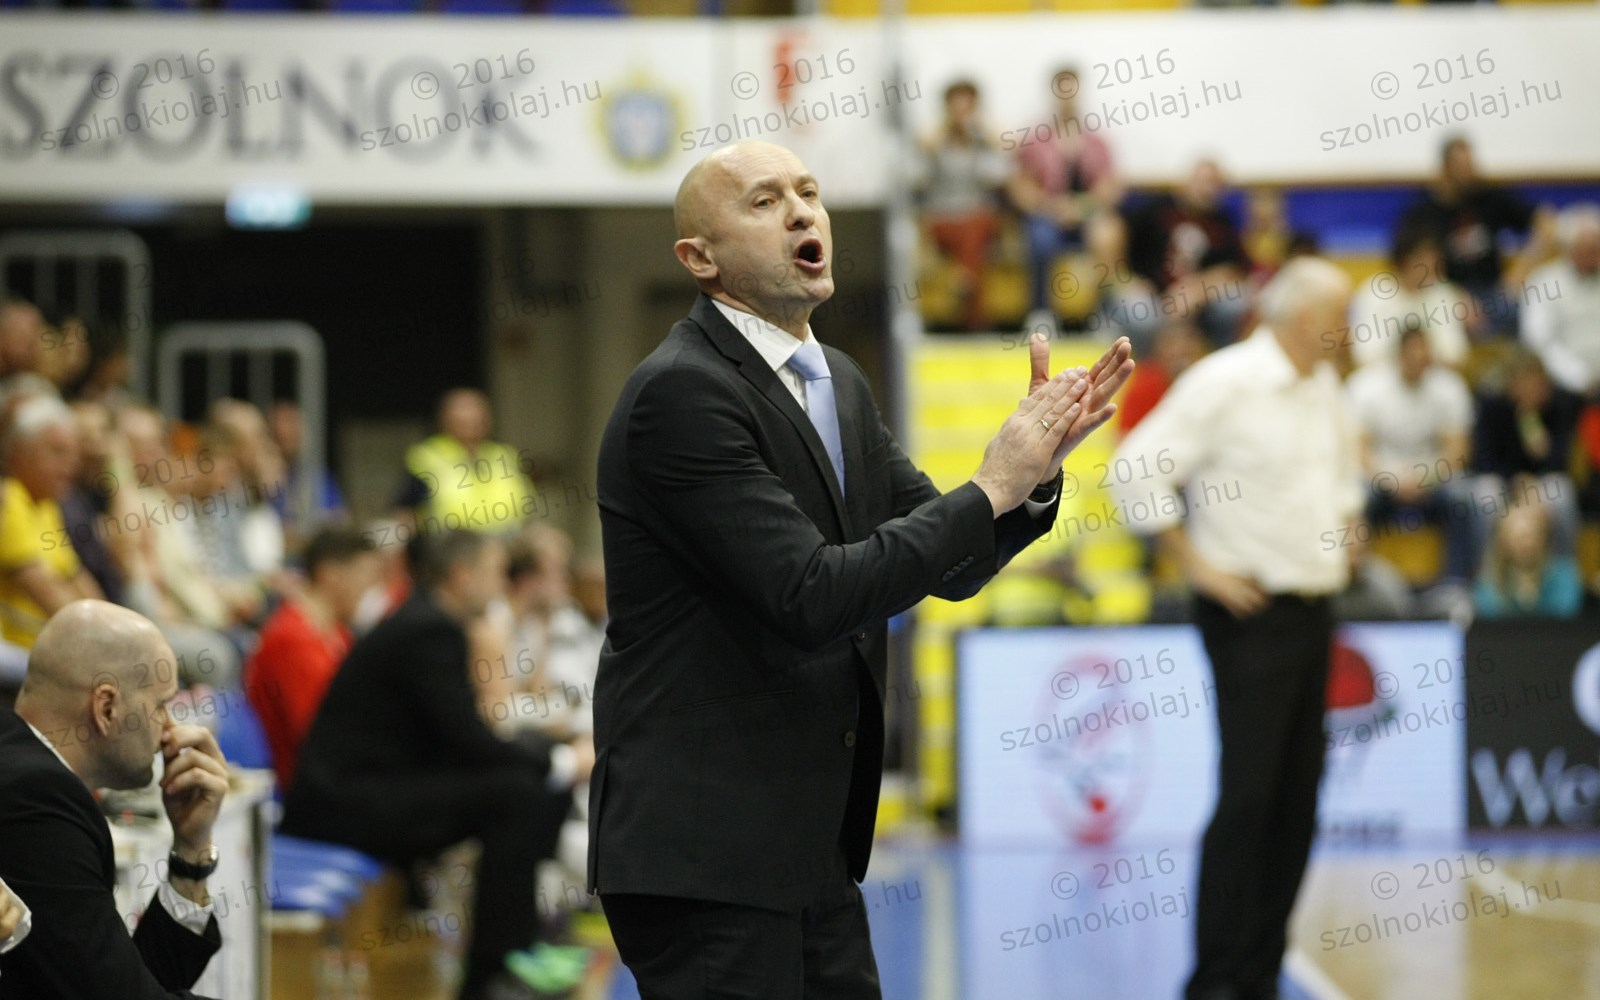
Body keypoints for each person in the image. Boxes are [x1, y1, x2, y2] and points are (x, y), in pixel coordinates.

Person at [590, 139, 1132, 999]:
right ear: (700, 258)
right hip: (707, 849)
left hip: (811, 843)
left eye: (809, 192)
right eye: (764, 201)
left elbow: (949, 564)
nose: (801, 212)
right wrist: (991, 485)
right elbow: (811, 595)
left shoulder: (837, 380)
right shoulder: (681, 393)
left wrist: (1032, 478)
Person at [1111, 257, 1362, 1000]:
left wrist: (1347, 521)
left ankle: (1259, 971)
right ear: (1304, 319)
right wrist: (1197, 566)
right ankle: (1217, 978)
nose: (1350, 331)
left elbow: (1340, 473)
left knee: (1297, 798)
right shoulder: (1226, 382)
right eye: (1341, 317)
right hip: (1249, 614)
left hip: (1313, 608)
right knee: (1249, 797)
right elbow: (1134, 469)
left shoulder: (1322, 386)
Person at [281, 529, 595, 1000]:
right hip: (345, 804)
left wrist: (550, 759)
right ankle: (493, 973)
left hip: (369, 789)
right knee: (516, 794)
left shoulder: (426, 621)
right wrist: (560, 760)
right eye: (493, 573)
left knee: (525, 786)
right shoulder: (428, 630)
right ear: (461, 576)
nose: (501, 584)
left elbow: (462, 739)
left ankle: (519, 946)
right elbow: (467, 740)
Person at [0, 599, 230, 998]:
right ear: (106, 707)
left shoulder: (26, 768)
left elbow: (120, 980)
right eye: (161, 706)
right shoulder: (37, 797)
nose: (170, 729)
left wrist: (191, 854)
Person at [243, 526, 377, 791]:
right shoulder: (292, 639)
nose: (369, 589)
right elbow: (321, 736)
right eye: (363, 576)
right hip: (310, 788)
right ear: (330, 576)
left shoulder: (337, 632)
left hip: (339, 773)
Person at [1346, 326, 1476, 581]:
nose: (1418, 361)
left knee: (1464, 497)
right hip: (1380, 476)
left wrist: (1426, 477)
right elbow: (1358, 450)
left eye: (1424, 356)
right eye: (1412, 355)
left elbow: (1458, 451)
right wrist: (1390, 478)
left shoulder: (1449, 387)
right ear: (1399, 355)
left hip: (1432, 479)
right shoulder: (1366, 386)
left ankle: (1457, 582)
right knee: (1355, 499)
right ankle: (1360, 580)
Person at [1400, 135, 1556, 335]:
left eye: (1470, 165)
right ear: (1445, 168)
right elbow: (1412, 263)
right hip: (1447, 294)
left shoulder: (1489, 199)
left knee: (1525, 314)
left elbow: (1545, 222)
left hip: (1495, 291)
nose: (1469, 172)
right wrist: (1454, 296)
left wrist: (1522, 269)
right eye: (1461, 166)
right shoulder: (1424, 211)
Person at [1008, 67, 1123, 336]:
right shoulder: (1035, 140)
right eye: (1062, 88)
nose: (1067, 95)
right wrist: (1051, 207)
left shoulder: (1097, 142)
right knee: (1040, 238)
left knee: (1108, 235)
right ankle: (1041, 312)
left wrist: (1081, 208)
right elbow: (1020, 186)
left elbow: (1109, 187)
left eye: (1072, 88)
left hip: (1087, 216)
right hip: (1047, 214)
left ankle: (1104, 313)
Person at [0, 394, 103, 649]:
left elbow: (76, 577)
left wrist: (112, 623)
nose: (68, 466)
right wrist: (103, 637)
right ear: (18, 453)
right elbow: (50, 597)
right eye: (57, 452)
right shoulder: (9, 501)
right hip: (24, 651)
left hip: (57, 646)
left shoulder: (46, 504)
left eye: (73, 455)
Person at [1123, 158, 1254, 348]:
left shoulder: (1223, 222)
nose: (1206, 190)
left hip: (1203, 304)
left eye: (1213, 184)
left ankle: (1219, 354)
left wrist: (1200, 289)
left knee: (1234, 302)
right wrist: (1139, 283)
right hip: (1155, 296)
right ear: (1185, 182)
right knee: (1137, 311)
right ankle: (1142, 360)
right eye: (1202, 181)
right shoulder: (1154, 212)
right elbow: (1128, 256)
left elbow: (1237, 269)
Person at [912, 79, 1009, 332]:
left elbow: (999, 176)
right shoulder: (935, 141)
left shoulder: (982, 141)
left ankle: (964, 281)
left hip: (977, 220)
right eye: (956, 105)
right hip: (943, 220)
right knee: (971, 238)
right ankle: (977, 325)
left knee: (976, 225)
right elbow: (916, 178)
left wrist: (982, 136)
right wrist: (937, 141)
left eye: (967, 105)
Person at [393, 388, 538, 536]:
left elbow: (527, 504)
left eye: (476, 417)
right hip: (453, 537)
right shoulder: (426, 457)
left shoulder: (505, 454)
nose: (470, 423)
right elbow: (405, 509)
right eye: (462, 420)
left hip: (510, 533)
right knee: (488, 549)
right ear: (445, 421)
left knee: (546, 541)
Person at [1347, 227, 1475, 371]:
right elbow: (1363, 355)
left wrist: (1423, 358)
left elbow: (1456, 354)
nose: (1432, 264)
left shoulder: (1443, 295)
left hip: (1431, 374)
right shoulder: (1373, 293)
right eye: (1423, 258)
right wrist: (1405, 359)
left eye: (1435, 258)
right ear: (1405, 259)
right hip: (1385, 375)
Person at [1520, 204, 1600, 397]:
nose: (1594, 255)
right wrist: (1580, 377)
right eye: (1586, 249)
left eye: (1596, 248)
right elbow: (1538, 342)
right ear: (1568, 248)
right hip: (1566, 385)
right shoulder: (1544, 282)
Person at [1474, 493, 1582, 619]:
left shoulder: (1565, 575)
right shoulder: (1489, 583)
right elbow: (1487, 613)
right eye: (1520, 537)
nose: (1528, 544)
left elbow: (1566, 613)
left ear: (1543, 537)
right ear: (1503, 542)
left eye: (1533, 535)